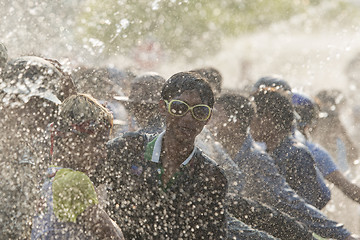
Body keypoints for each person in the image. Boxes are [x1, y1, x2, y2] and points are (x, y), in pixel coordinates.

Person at [208, 92, 358, 240]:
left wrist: (343, 235)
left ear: (236, 122)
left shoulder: (258, 158)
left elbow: (294, 204)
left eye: (215, 116)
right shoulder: (218, 150)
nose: (208, 121)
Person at [103, 71, 229, 239]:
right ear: (163, 107)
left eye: (199, 112)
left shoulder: (211, 176)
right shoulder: (127, 149)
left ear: (208, 118)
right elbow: (83, 178)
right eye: (179, 108)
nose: (188, 118)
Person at [0, 55, 76, 239]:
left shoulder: (52, 146)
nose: (33, 113)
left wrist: (71, 95)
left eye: (40, 105)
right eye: (25, 103)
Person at [31, 93, 124, 239]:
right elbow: (112, 237)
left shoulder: (50, 175)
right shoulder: (74, 181)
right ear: (70, 141)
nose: (103, 154)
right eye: (98, 143)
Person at [250, 80, 331, 210]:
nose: (249, 122)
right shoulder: (271, 150)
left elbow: (307, 208)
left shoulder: (295, 154)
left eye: (253, 116)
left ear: (268, 119)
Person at [311, 89, 359, 171]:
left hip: (331, 162)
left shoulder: (332, 119)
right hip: (329, 163)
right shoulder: (330, 119)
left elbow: (350, 146)